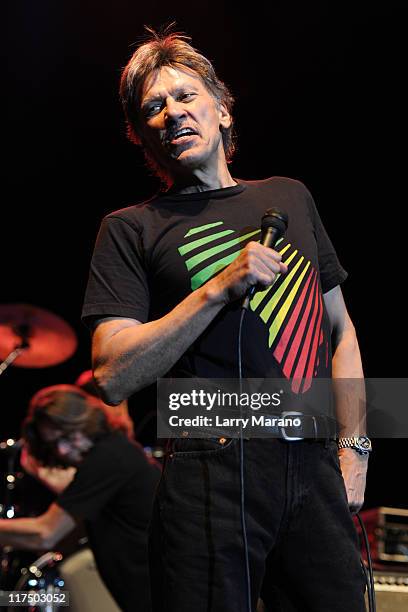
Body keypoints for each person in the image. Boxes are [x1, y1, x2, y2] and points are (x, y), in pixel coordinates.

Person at [81, 28, 370, 611]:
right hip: (207, 462)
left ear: (222, 109)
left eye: (186, 97)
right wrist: (216, 289)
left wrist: (356, 447)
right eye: (153, 109)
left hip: (313, 460)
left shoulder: (290, 195)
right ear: (141, 136)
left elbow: (341, 331)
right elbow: (111, 375)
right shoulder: (131, 227)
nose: (172, 114)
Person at [0, 385, 161, 612]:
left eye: (66, 436)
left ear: (84, 420)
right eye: (54, 443)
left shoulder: (108, 457)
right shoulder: (113, 452)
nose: (63, 450)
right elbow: (58, 539)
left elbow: (45, 534)